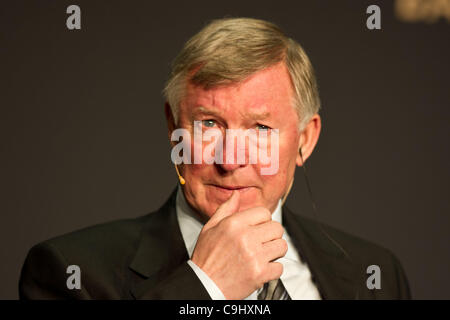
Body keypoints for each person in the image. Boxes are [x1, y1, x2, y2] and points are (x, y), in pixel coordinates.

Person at [19, 17, 411, 300]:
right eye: (208, 124)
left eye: (260, 129)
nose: (231, 160)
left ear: (305, 140)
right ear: (175, 129)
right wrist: (204, 286)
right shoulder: (71, 272)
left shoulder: (374, 274)